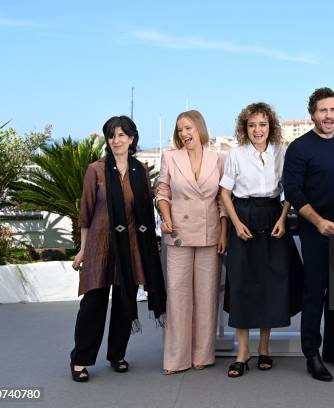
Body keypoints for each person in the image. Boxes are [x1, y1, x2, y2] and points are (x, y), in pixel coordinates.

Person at [70, 115, 166, 382]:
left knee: (125, 303)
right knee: (93, 304)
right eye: (112, 135)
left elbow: (145, 212)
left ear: (132, 139)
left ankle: (117, 355)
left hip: (132, 247)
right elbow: (86, 215)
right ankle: (80, 359)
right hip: (100, 246)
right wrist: (82, 250)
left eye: (122, 135)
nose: (117, 140)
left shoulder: (140, 170)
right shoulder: (96, 170)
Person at [283, 87, 334, 382]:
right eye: (323, 110)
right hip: (315, 229)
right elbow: (292, 191)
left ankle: (333, 348)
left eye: (333, 110)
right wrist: (318, 222)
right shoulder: (299, 148)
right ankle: (312, 354)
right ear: (312, 114)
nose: (328, 116)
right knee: (314, 292)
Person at [219, 102, 303, 378]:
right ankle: (243, 352)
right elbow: (225, 194)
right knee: (242, 282)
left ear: (271, 127)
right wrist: (236, 223)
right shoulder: (236, 154)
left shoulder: (282, 152)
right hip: (243, 214)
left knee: (270, 283)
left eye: (262, 124)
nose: (257, 129)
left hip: (272, 215)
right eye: (252, 124)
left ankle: (264, 348)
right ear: (245, 128)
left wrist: (282, 218)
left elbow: (290, 189)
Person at [156, 110, 228, 374]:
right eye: (180, 129)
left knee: (207, 297)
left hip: (210, 234)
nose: (184, 134)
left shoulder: (218, 159)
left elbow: (222, 200)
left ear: (199, 128)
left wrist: (223, 232)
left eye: (188, 128)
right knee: (177, 296)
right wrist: (165, 217)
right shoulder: (170, 157)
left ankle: (202, 355)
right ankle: (175, 359)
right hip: (178, 233)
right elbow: (162, 192)